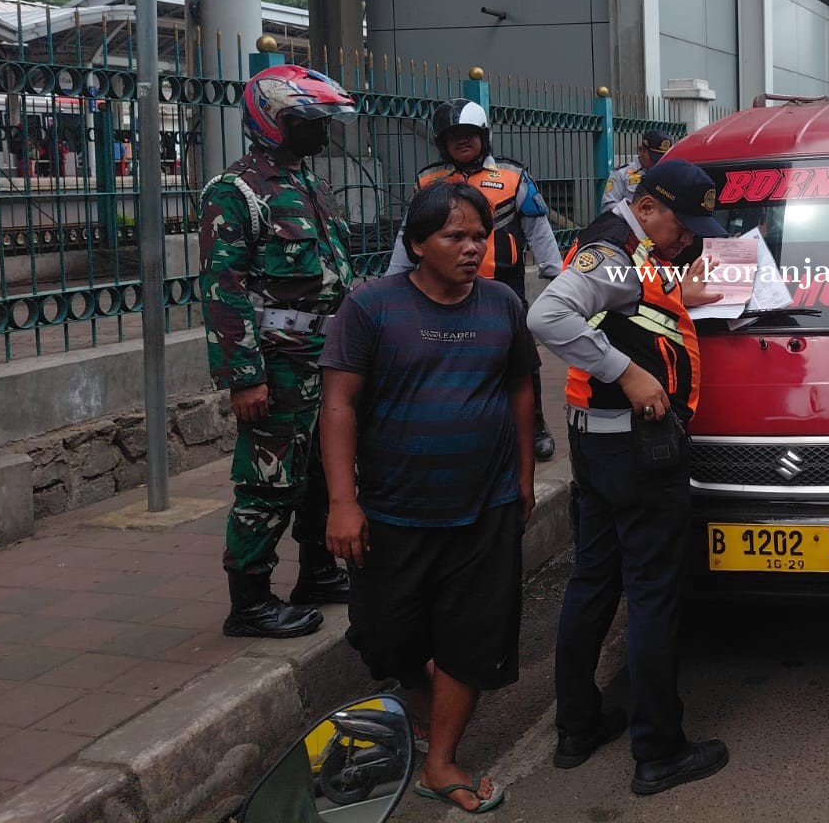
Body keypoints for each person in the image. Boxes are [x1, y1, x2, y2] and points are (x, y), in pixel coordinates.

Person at [319, 180, 538, 814]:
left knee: (472, 638)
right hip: (392, 511)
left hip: (486, 507)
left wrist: (523, 478)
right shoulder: (371, 308)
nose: (473, 248)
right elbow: (339, 404)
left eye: (480, 236)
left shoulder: (502, 305)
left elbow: (522, 390)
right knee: (382, 637)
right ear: (416, 244)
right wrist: (342, 501)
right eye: (455, 236)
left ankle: (440, 760)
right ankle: (424, 703)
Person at [529, 158, 730, 797]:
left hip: (601, 448)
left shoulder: (632, 248)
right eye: (683, 224)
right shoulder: (610, 252)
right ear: (645, 208)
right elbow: (548, 317)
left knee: (594, 578)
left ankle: (578, 726)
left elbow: (633, 304)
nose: (691, 239)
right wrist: (628, 372)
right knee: (651, 593)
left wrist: (678, 294)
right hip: (637, 453)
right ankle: (659, 750)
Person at [199, 64, 358, 640]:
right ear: (271, 122)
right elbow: (224, 288)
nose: (320, 130)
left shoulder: (312, 187)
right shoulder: (234, 192)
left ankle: (317, 571)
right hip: (279, 362)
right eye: (307, 119)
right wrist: (244, 377)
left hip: (327, 354)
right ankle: (250, 601)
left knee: (322, 471)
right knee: (269, 479)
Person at [385, 98, 564, 462]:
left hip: (505, 285)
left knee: (521, 358)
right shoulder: (428, 181)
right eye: (453, 137)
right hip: (441, 288)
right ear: (441, 142)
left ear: (484, 136)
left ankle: (536, 424)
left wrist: (554, 273)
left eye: (468, 135)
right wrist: (393, 280)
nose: (461, 143)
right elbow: (409, 232)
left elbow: (539, 228)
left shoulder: (513, 176)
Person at [601, 129, 672, 211]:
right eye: (654, 158)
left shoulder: (668, 174)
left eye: (663, 158)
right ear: (641, 150)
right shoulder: (621, 174)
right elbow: (607, 207)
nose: (657, 163)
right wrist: (632, 211)